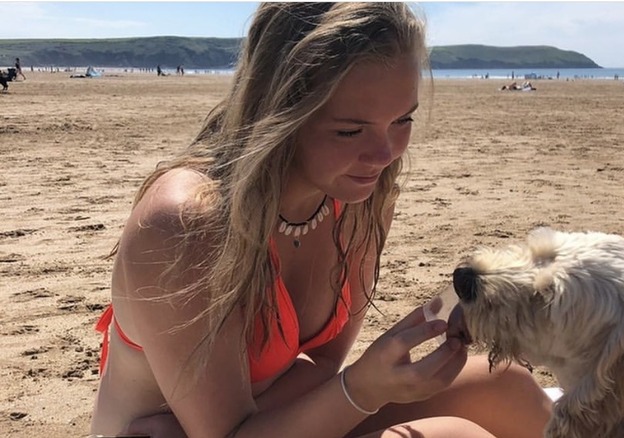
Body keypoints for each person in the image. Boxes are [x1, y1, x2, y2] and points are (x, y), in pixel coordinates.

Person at [89, 3, 552, 438]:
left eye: (402, 120)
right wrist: (362, 390)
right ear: (278, 113)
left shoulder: (362, 195)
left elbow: (324, 362)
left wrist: (360, 382)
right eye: (350, 130)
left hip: (250, 423)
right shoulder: (188, 221)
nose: (384, 154)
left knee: (509, 387)